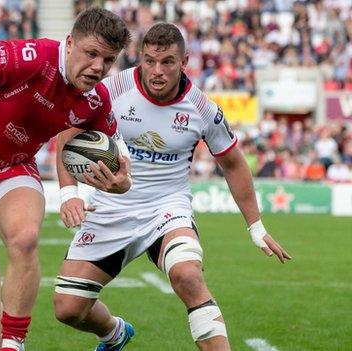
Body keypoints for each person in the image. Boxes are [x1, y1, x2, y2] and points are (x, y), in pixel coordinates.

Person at [53, 23, 292, 351]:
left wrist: (255, 226)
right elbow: (68, 133)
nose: (157, 71)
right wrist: (69, 194)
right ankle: (114, 333)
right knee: (68, 308)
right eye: (149, 60)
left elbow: (233, 163)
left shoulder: (202, 108)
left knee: (188, 276)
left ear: (184, 62)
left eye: (167, 62)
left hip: (167, 207)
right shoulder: (112, 88)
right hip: (110, 207)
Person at [0, 8, 132, 351]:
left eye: (108, 59)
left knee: (25, 236)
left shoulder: (95, 100)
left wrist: (121, 184)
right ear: (70, 42)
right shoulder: (30, 57)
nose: (98, 68)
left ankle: (13, 343)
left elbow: (108, 156)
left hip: (11, 171)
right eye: (91, 54)